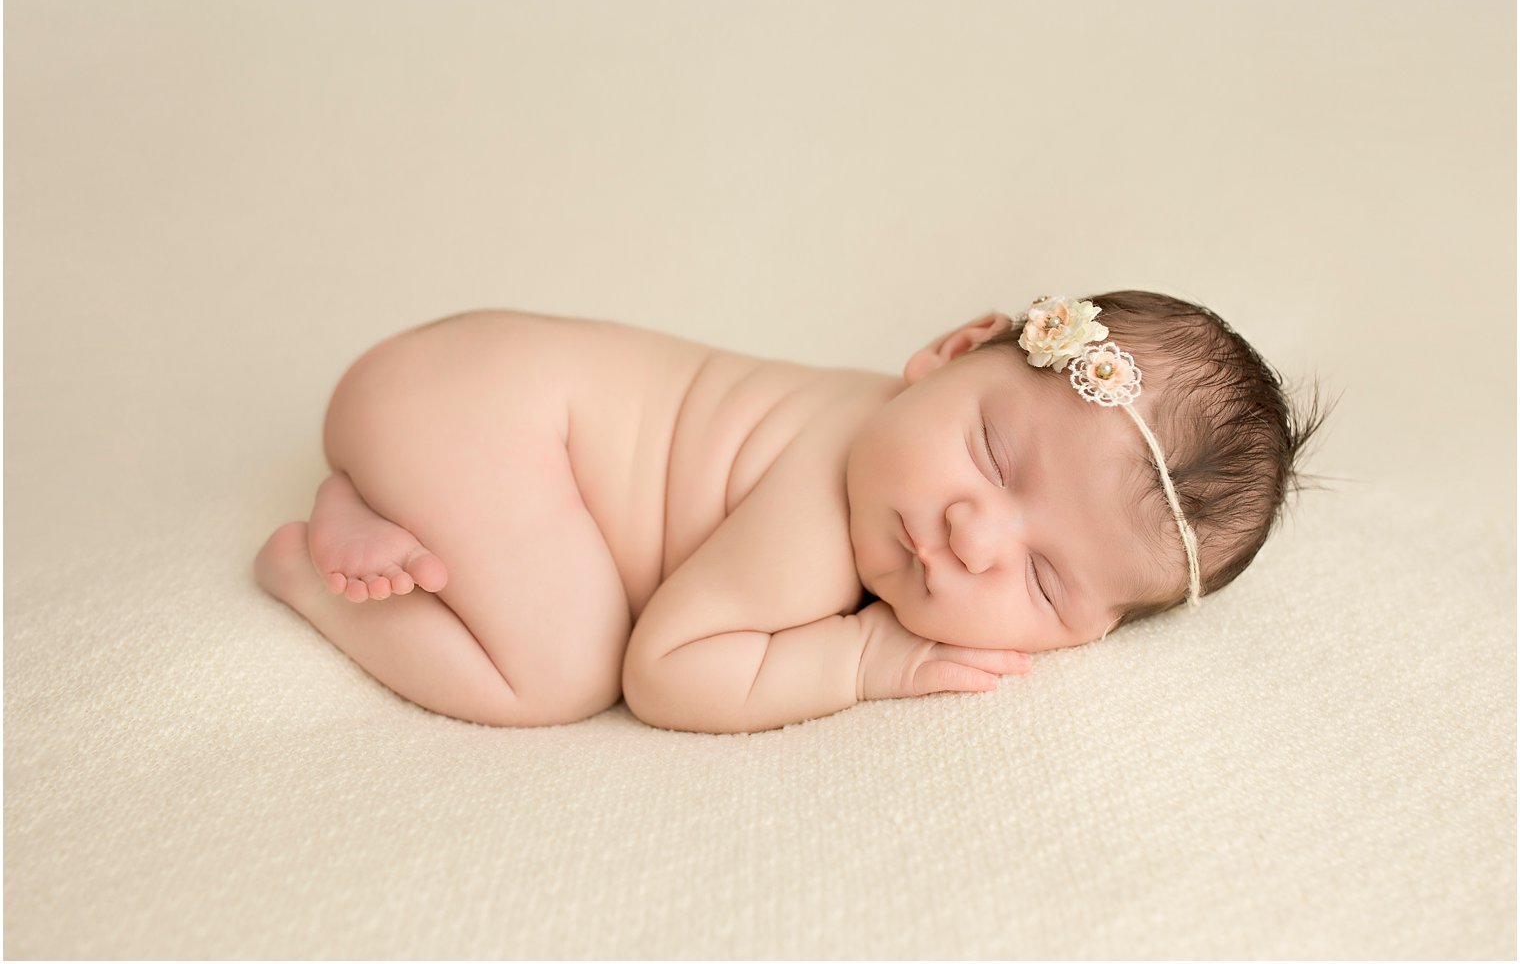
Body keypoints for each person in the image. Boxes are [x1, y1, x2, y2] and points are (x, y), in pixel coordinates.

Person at [254, 291, 1327, 733]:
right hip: (473, 417)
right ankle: (312, 568)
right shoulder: (822, 512)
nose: (970, 533)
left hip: (446, 389)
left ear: (1088, 632)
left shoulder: (888, 430)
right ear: (945, 355)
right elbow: (666, 671)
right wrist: (861, 663)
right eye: (992, 453)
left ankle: (374, 496)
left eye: (1042, 580)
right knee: (562, 672)